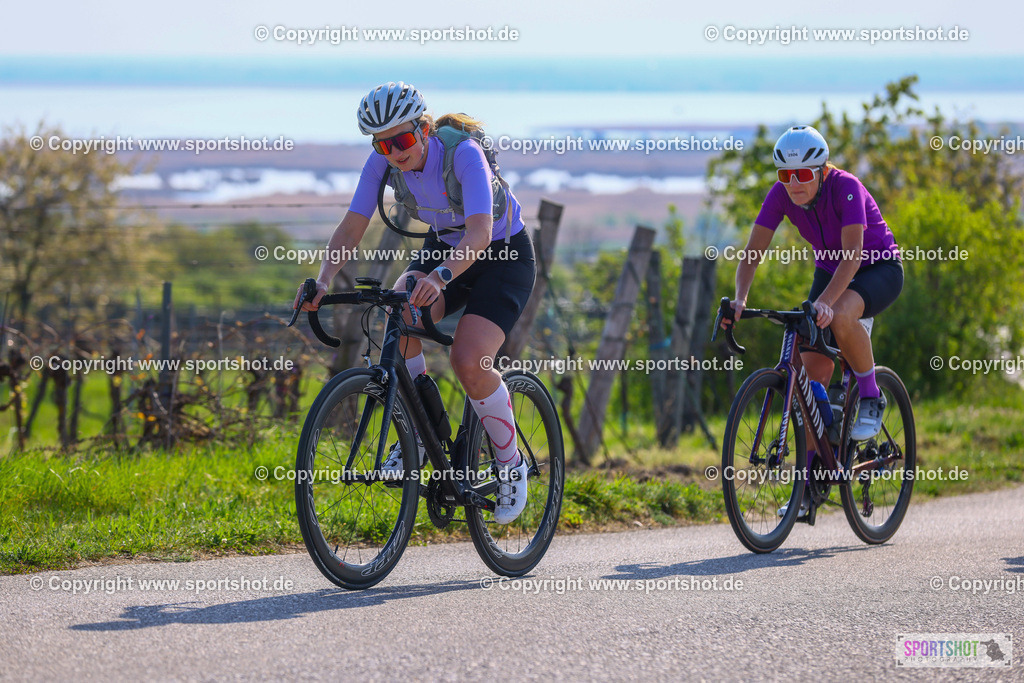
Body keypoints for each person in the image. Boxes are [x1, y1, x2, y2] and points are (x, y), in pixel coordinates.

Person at [293, 81, 535, 524]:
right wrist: (323, 279)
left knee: (469, 360)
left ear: (423, 129)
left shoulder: (464, 154)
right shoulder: (382, 161)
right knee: (398, 312)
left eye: (402, 140)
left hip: (501, 255)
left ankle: (510, 463)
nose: (394, 152)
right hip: (446, 246)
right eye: (382, 145)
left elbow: (480, 233)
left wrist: (440, 278)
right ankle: (422, 433)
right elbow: (352, 225)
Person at [726, 125, 904, 513]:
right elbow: (752, 253)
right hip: (829, 270)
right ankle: (810, 483)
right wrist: (740, 299)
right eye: (785, 175)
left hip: (877, 268)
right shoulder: (780, 195)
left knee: (839, 315)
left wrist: (824, 303)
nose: (793, 183)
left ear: (822, 171)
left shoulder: (847, 187)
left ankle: (871, 395)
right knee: (808, 376)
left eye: (803, 174)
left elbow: (853, 256)